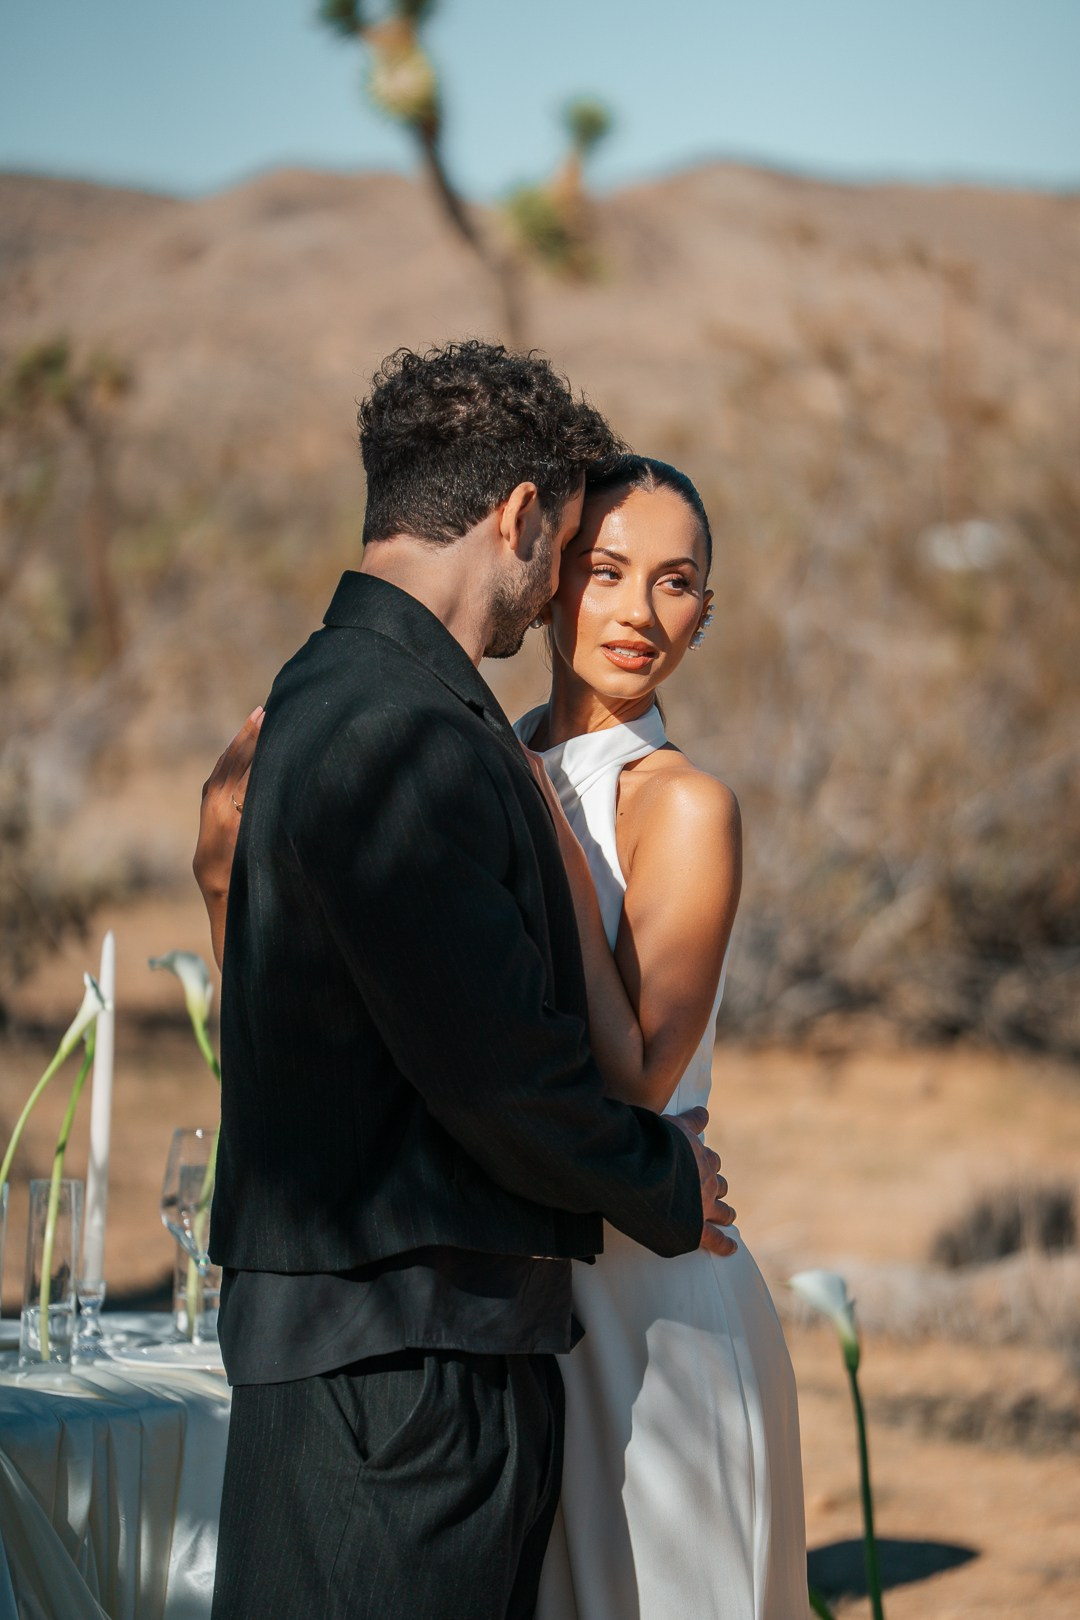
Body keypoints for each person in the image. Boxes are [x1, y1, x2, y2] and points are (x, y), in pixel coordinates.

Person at [196, 342, 737, 1620]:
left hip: (364, 1353)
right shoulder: (408, 733)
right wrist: (667, 1177)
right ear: (517, 519)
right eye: (572, 554)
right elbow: (495, 1071)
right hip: (412, 1371)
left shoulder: (324, 692)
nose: (567, 589)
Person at [516, 454, 808, 1619]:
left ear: (706, 610)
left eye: (677, 582)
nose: (640, 614)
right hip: (519, 1299)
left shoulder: (684, 802)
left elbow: (638, 1081)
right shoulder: (499, 763)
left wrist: (549, 843)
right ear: (545, 584)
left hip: (655, 1304)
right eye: (606, 572)